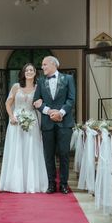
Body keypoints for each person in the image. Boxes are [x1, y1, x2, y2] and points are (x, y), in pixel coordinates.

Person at [0, 63, 49, 193]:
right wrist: (11, 117)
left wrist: (41, 103)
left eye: (31, 70)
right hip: (16, 121)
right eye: (27, 70)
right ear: (23, 73)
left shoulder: (39, 87)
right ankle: (16, 183)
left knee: (31, 150)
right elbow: (8, 103)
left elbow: (41, 103)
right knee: (17, 149)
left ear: (35, 73)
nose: (29, 72)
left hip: (32, 121)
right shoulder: (16, 87)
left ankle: (32, 183)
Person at [32, 56, 76, 194]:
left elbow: (71, 99)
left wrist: (61, 113)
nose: (42, 67)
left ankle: (64, 184)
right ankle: (51, 184)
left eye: (44, 64)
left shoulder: (68, 79)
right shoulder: (40, 81)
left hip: (65, 123)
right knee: (48, 155)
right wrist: (49, 111)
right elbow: (36, 101)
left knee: (64, 154)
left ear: (53, 64)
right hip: (47, 124)